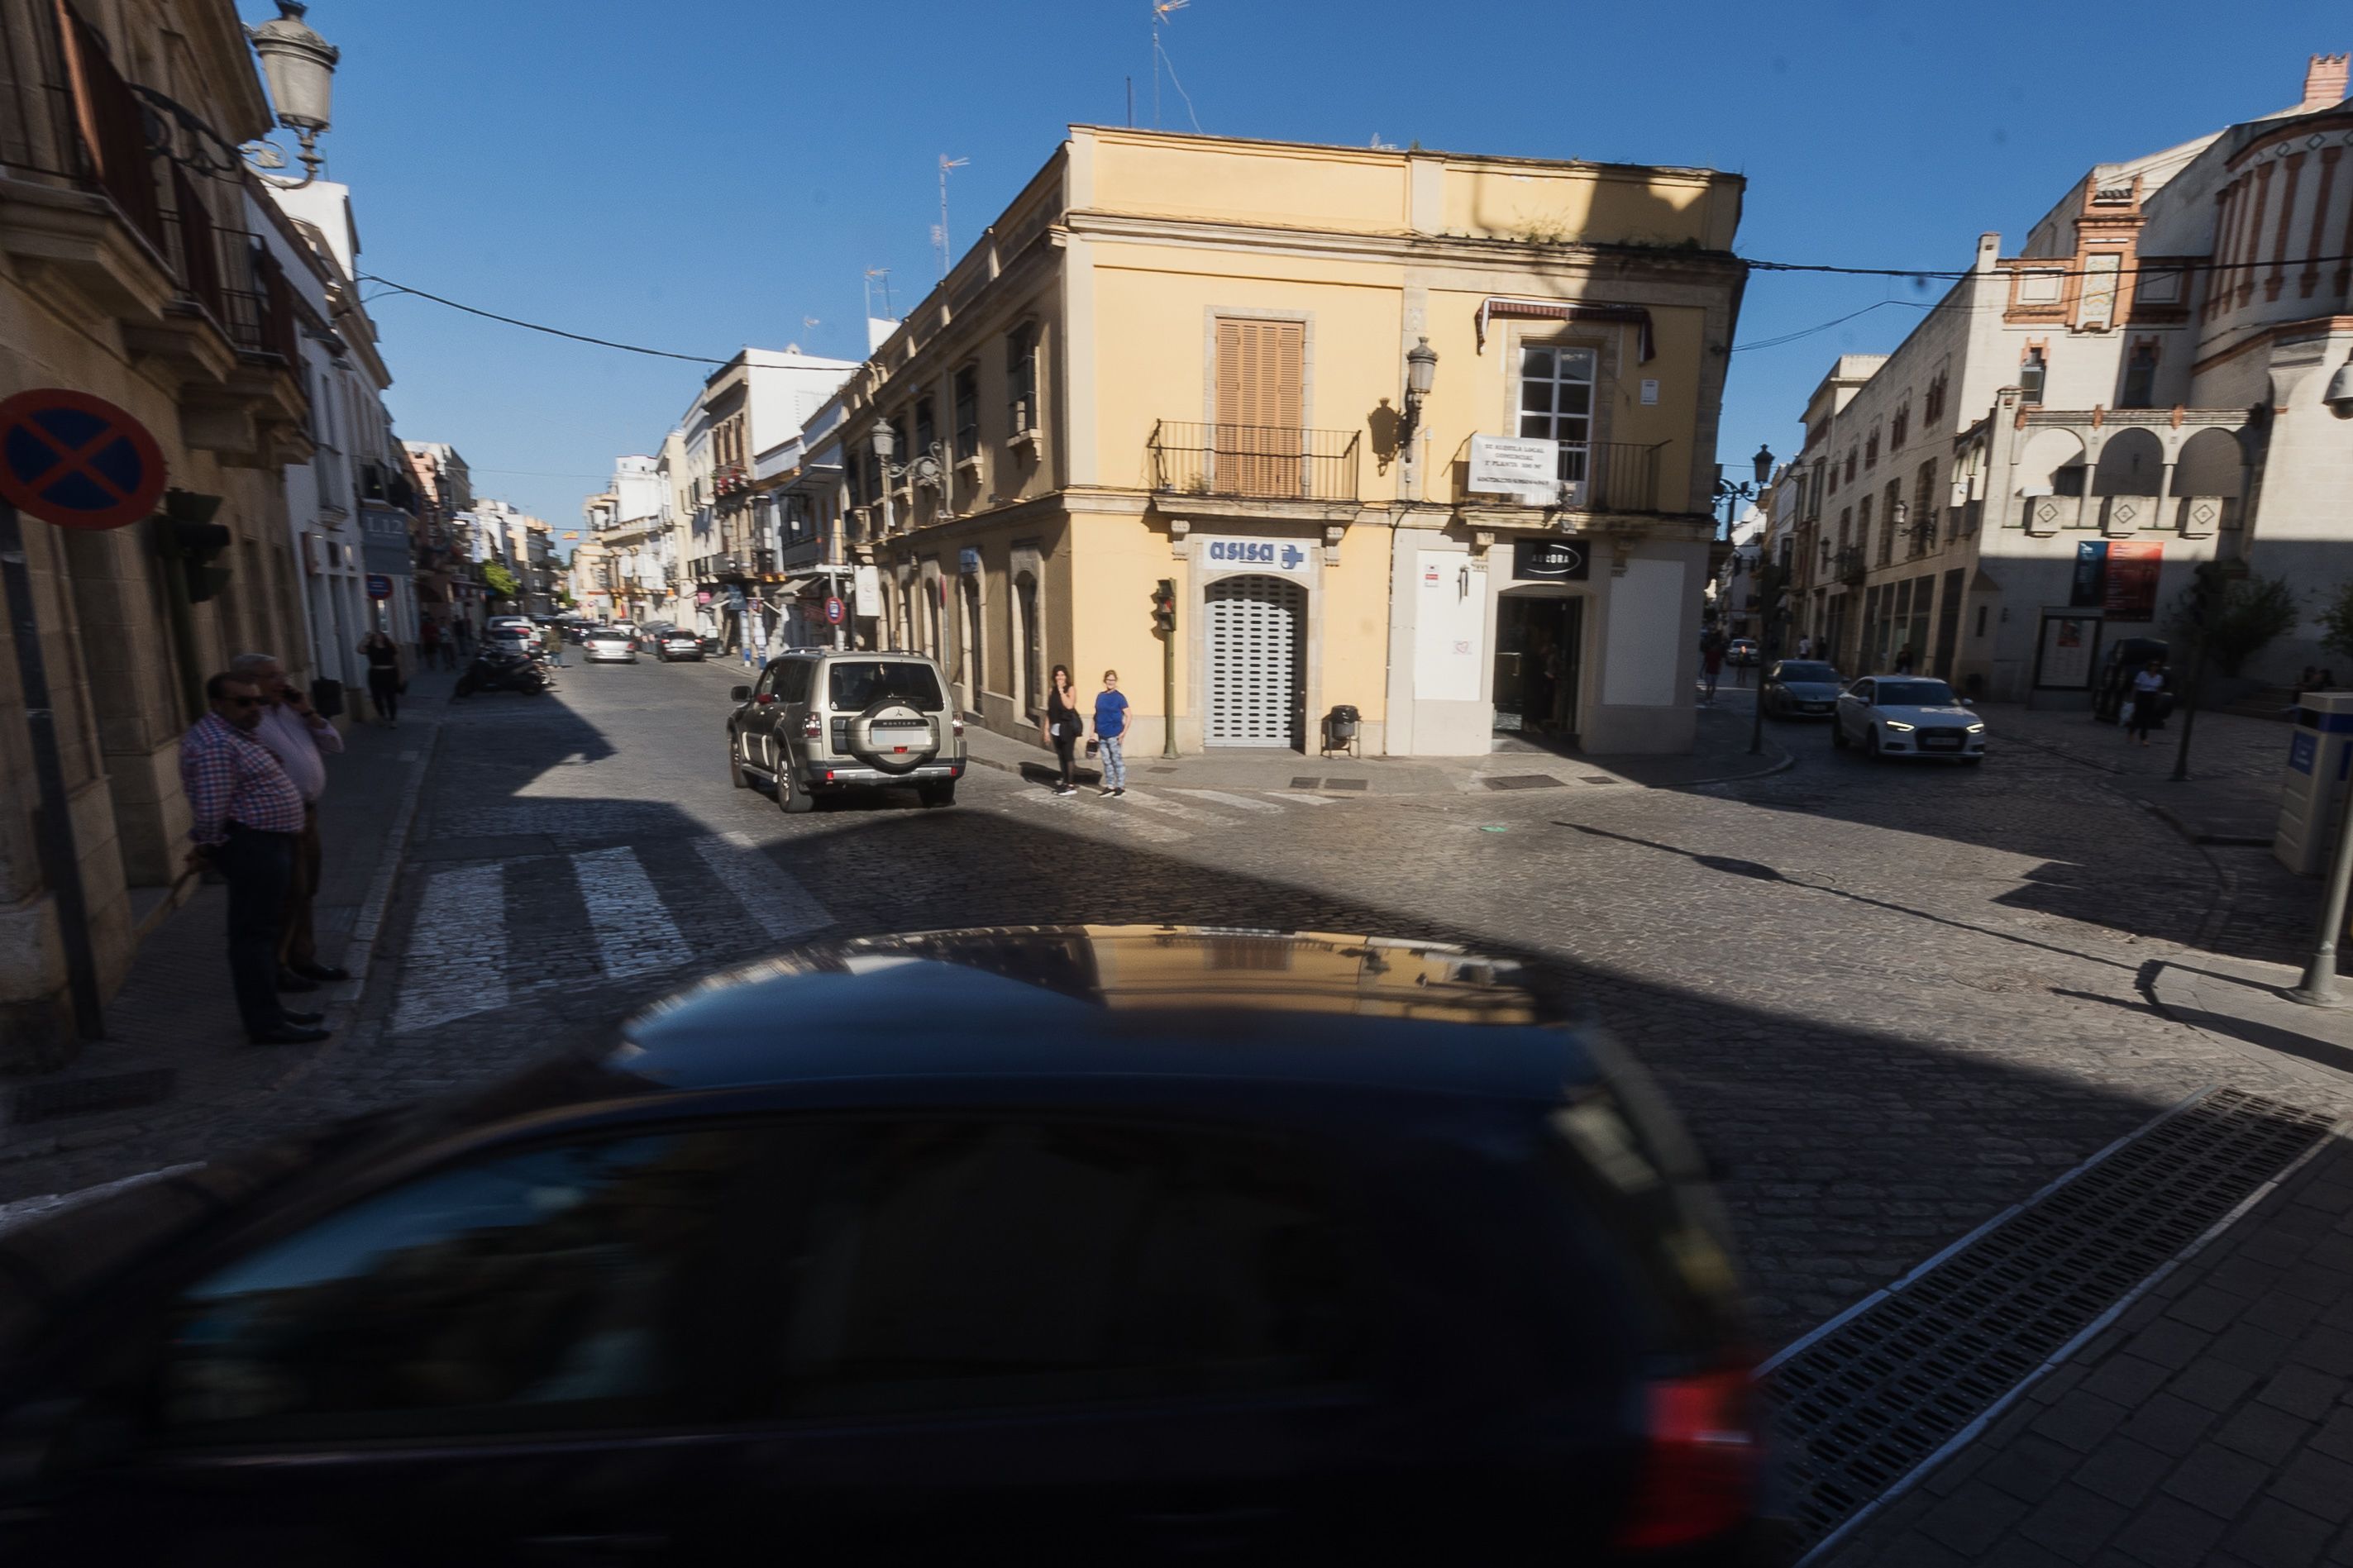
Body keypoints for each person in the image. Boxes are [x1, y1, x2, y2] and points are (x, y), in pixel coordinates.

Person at [179, 674, 330, 1046]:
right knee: (254, 939)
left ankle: (272, 1011)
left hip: (267, 844)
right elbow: (212, 809)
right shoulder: (216, 743)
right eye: (243, 702)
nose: (254, 709)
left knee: (264, 934)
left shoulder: (235, 736)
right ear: (218, 704)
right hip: (252, 847)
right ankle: (264, 1023)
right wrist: (209, 847)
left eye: (257, 701)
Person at [231, 652, 349, 997]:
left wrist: (308, 712)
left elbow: (334, 744)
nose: (281, 681)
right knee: (287, 894)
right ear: (250, 682)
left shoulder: (291, 712)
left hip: (308, 814)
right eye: (271, 676)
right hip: (275, 820)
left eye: (282, 674)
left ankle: (303, 957)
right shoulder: (250, 720)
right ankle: (278, 966)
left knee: (307, 890)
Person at [1042, 664, 1083, 795]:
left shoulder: (1070, 689)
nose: (1060, 677)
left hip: (1068, 727)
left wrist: (1061, 691)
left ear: (1066, 676)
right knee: (1061, 756)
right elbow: (1050, 710)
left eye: (1062, 675)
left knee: (1068, 755)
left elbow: (1069, 705)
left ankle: (1070, 784)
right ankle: (1065, 782)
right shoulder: (1051, 690)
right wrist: (1046, 729)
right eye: (1057, 675)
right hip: (1055, 727)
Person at [1093, 670, 1130, 797]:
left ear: (1116, 682)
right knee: (1106, 761)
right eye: (1108, 680)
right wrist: (1092, 732)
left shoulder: (1119, 697)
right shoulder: (1100, 696)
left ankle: (1120, 786)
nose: (1110, 682)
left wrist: (1123, 733)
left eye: (1113, 680)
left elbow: (1129, 715)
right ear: (1105, 681)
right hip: (1101, 733)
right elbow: (1096, 714)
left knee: (1116, 760)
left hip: (1114, 733)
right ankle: (1110, 786)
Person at [360, 630, 403, 726]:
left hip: (390, 674)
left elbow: (397, 661)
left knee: (391, 697)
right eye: (376, 635)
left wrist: (400, 676)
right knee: (376, 697)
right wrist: (365, 638)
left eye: (380, 635)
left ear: (384, 636)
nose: (378, 637)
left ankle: (393, 719)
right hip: (375, 674)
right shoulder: (371, 648)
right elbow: (360, 650)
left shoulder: (390, 647)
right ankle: (382, 716)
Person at [2125, 657, 2167, 746]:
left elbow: (2159, 689)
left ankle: (2143, 738)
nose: (2154, 668)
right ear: (2149, 666)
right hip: (2142, 696)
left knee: (2147, 719)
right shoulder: (2142, 674)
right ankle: (2131, 733)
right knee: (2137, 716)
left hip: (2151, 697)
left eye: (2156, 666)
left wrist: (2159, 700)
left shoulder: (2159, 677)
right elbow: (2136, 686)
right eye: (2153, 666)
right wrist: (2132, 698)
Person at [1699, 628, 1725, 704]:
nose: (1716, 647)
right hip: (1709, 671)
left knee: (1713, 687)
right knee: (1709, 686)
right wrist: (1701, 671)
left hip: (1715, 671)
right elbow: (1705, 663)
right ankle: (1707, 698)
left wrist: (1719, 669)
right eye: (1715, 646)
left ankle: (1710, 697)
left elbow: (1720, 662)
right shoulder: (1709, 653)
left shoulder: (1718, 654)